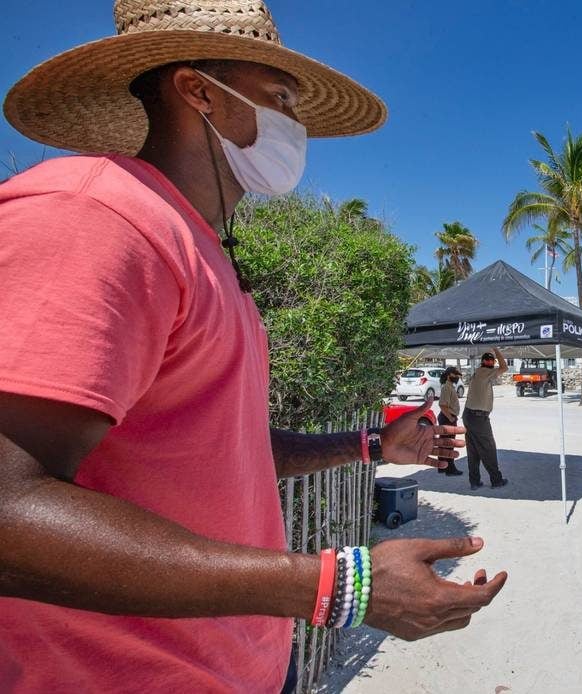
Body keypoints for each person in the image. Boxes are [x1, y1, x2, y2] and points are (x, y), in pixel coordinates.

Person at [0, 2, 505, 691]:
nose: (296, 127)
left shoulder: (198, 246)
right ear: (199, 92)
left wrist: (370, 446)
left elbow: (218, 451)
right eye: (280, 99)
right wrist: (338, 588)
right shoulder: (95, 216)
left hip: (246, 664)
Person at [463, 349, 509, 490]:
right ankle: (496, 480)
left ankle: (474, 482)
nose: (490, 362)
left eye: (492, 360)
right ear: (483, 361)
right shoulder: (485, 372)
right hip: (478, 417)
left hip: (469, 415)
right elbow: (504, 367)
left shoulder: (478, 372)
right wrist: (496, 350)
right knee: (488, 448)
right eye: (488, 360)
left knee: (473, 451)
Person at [437, 366, 465, 476]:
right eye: (455, 374)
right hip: (447, 417)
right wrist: (451, 418)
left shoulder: (450, 386)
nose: (457, 377)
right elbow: (442, 405)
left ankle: (443, 466)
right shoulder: (447, 387)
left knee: (445, 443)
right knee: (449, 443)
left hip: (448, 417)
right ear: (449, 375)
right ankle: (450, 468)